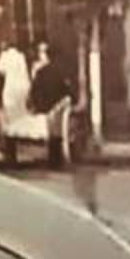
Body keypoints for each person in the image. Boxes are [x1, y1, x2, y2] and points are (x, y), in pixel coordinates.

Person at [30, 39, 77, 168]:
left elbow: (34, 92)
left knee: (53, 131)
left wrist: (37, 107)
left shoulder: (41, 72)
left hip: (45, 108)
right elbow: (67, 91)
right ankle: (58, 158)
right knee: (59, 131)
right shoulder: (61, 72)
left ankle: (53, 159)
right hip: (58, 108)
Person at [0, 35, 34, 167]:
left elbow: (0, 70)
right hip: (23, 88)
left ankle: (11, 152)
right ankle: (20, 142)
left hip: (11, 89)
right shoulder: (21, 56)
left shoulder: (5, 56)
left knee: (9, 120)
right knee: (20, 117)